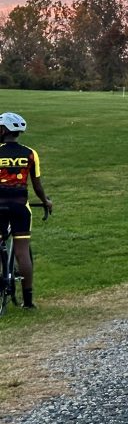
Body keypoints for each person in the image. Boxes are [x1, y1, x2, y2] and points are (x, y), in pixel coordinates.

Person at [0, 112, 52, 310]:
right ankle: (28, 301)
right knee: (23, 252)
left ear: (3, 130)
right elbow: (37, 185)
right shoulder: (30, 153)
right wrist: (45, 201)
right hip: (20, 206)